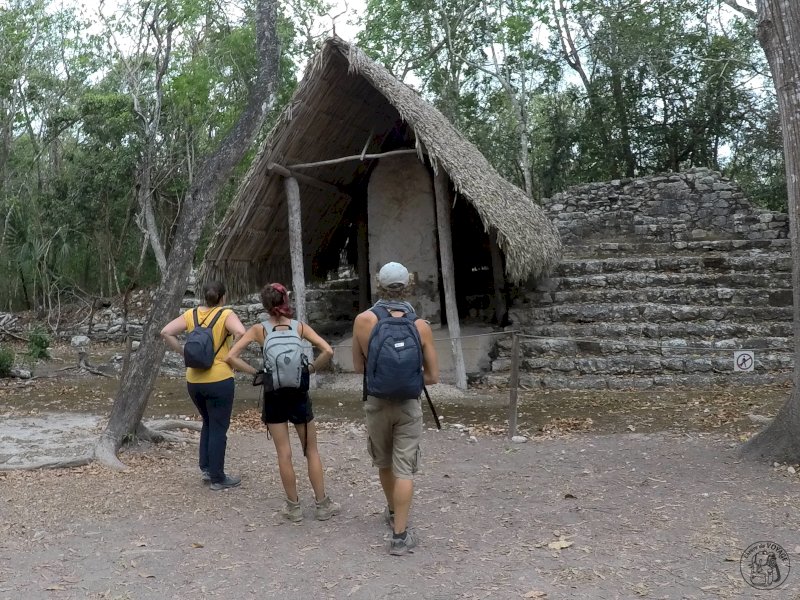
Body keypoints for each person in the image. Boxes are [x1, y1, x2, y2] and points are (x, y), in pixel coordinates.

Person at [225, 282, 340, 522]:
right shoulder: (299, 327)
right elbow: (328, 351)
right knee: (312, 451)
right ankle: (322, 505)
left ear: (265, 306)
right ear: (286, 302)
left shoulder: (260, 330)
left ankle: (294, 508)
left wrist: (256, 373)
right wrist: (309, 368)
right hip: (298, 393)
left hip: (273, 393)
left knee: (284, 454)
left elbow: (231, 357)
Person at [352, 261, 439, 556]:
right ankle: (400, 536)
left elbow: (357, 367)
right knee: (405, 469)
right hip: (408, 405)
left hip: (376, 403)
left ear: (379, 285)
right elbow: (433, 377)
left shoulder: (363, 321)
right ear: (408, 285)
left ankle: (391, 510)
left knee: (385, 463)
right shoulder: (420, 326)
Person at [161, 280, 246, 491]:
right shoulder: (226, 314)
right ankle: (218, 477)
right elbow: (242, 333)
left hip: (194, 380)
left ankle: (207, 468)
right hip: (219, 379)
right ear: (222, 297)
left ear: (204, 296)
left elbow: (166, 332)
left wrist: (183, 352)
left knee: (208, 422)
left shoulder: (192, 315)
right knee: (218, 427)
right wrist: (232, 355)